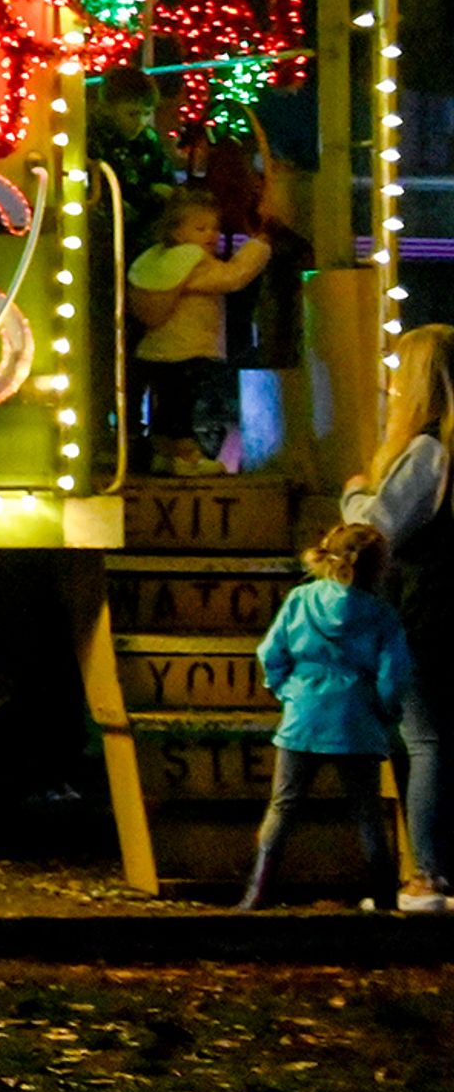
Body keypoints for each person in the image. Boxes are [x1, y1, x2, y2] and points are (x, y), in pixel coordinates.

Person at [242, 522, 416, 911]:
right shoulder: (383, 616)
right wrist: (384, 712)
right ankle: (386, 898)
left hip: (302, 719)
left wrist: (285, 689)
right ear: (379, 567)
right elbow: (395, 675)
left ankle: (257, 892)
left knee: (283, 807)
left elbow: (271, 651)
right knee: (368, 813)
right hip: (357, 723)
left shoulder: (301, 600)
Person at [340, 323, 452, 913]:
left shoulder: (428, 450)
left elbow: (378, 528)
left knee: (423, 739)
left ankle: (425, 875)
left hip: (427, 608)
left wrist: (355, 493)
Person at [126, 185, 272, 475]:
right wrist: (259, 245)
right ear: (179, 233)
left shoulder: (159, 261)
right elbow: (233, 277)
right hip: (189, 349)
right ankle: (186, 456)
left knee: (167, 405)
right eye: (200, 228)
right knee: (182, 407)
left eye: (214, 228)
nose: (211, 235)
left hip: (158, 348)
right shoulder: (193, 259)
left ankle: (163, 453)